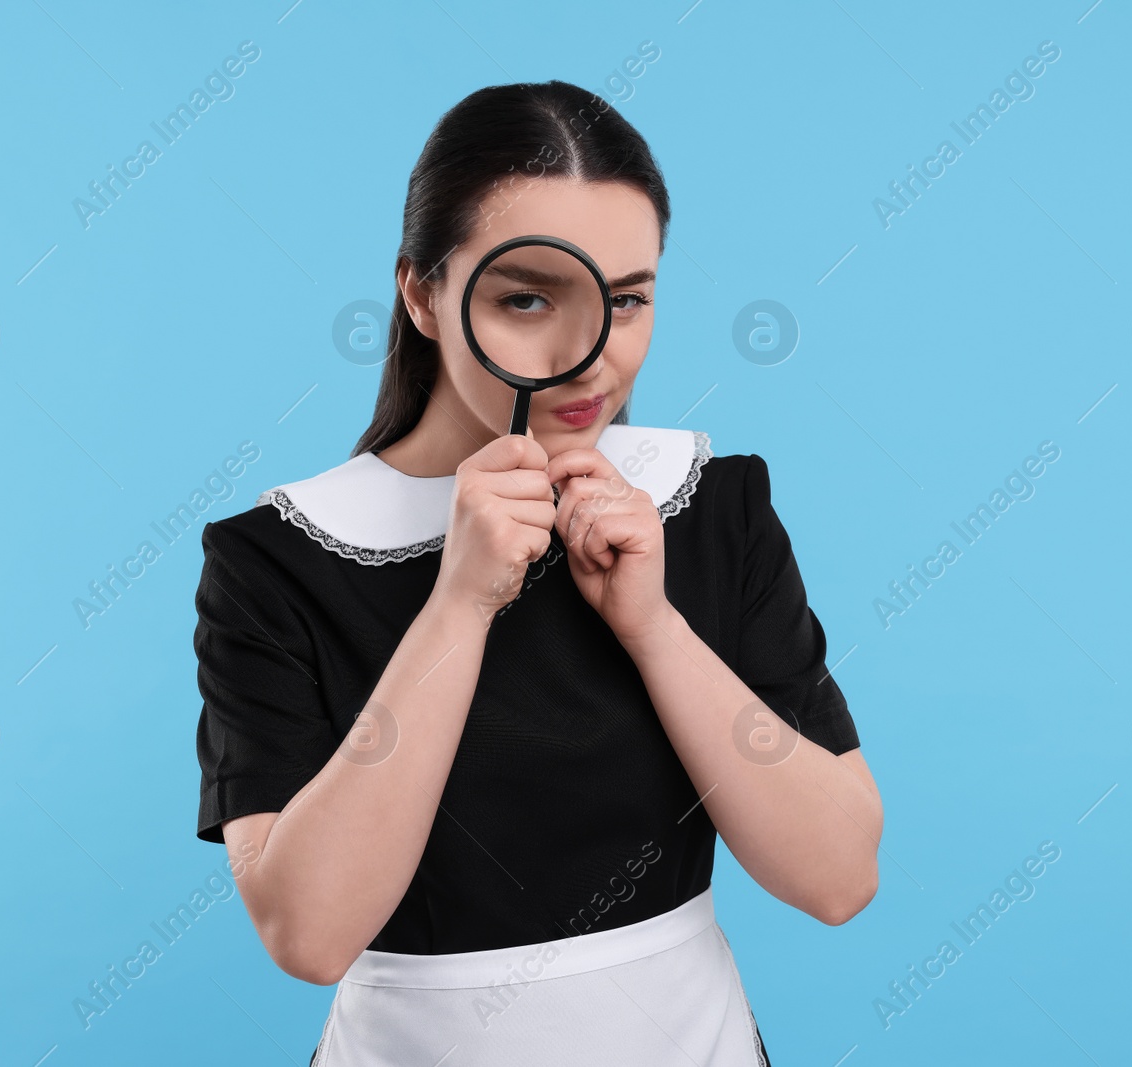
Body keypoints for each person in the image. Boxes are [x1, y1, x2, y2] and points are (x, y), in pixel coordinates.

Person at [192, 79, 883, 1066]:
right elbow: (307, 932)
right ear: (423, 294)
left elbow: (839, 873)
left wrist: (652, 627)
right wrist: (460, 603)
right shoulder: (278, 558)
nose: (587, 357)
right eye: (526, 298)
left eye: (629, 299)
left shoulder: (711, 505)